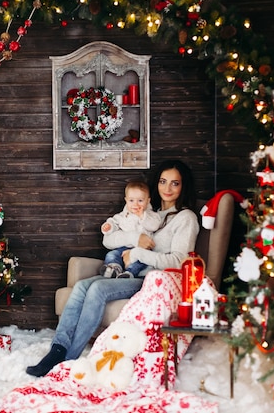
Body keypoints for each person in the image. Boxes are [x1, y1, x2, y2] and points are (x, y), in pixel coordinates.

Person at [26, 159, 199, 378]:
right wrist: (136, 237)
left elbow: (179, 261)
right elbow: (109, 239)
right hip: (129, 275)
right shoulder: (146, 208)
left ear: (184, 186)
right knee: (81, 287)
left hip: (150, 281)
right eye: (163, 181)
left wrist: (137, 253)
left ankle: (70, 357)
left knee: (98, 289)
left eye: (175, 183)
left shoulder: (186, 218)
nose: (167, 188)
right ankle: (57, 350)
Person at [100, 180, 161, 279]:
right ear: (126, 200)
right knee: (112, 254)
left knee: (140, 262)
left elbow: (154, 226)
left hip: (141, 250)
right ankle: (114, 268)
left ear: (148, 201)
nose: (135, 205)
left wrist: (142, 216)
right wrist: (109, 227)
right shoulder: (124, 216)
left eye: (140, 201)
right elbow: (114, 222)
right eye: (131, 200)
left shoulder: (151, 215)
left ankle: (129, 273)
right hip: (123, 248)